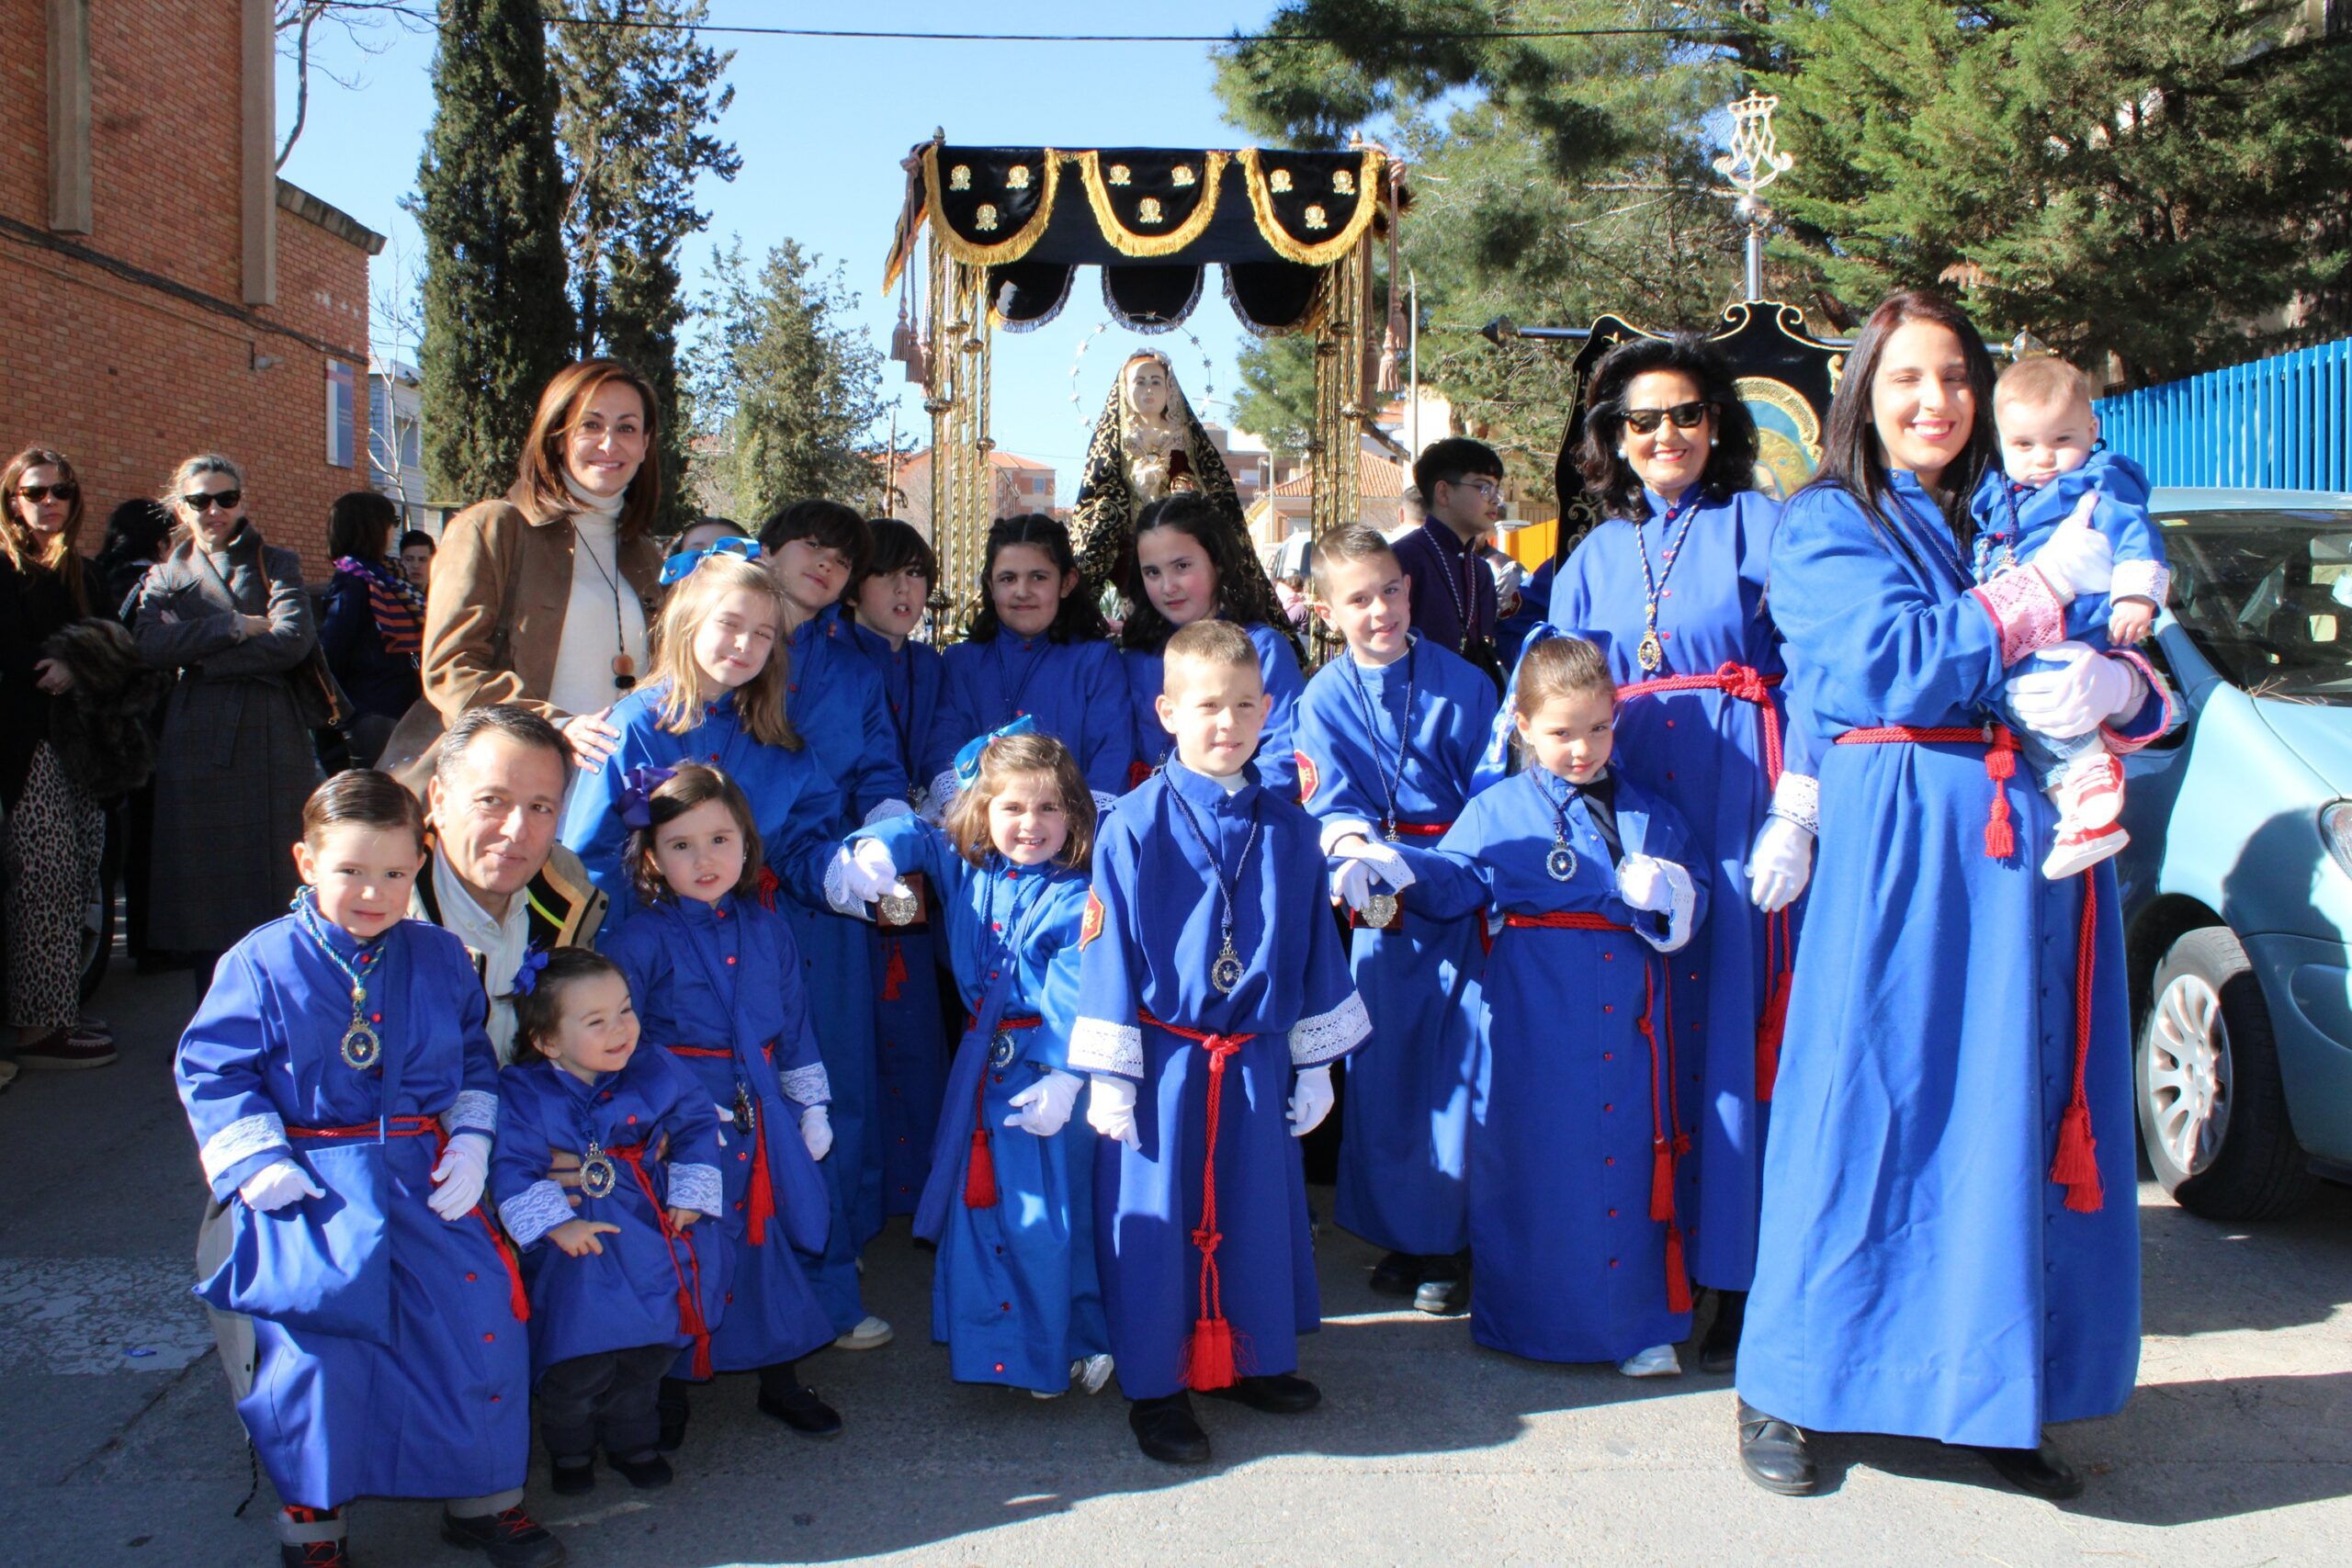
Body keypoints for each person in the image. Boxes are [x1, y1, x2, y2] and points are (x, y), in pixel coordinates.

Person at [1736, 290, 2169, 1501]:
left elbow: (2136, 642)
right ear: (1863, 396)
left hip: (2037, 852)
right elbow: (1892, 659)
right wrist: (2039, 598)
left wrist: (2120, 687)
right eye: (1907, 379)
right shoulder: (1824, 521)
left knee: (2011, 1122)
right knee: (1859, 1103)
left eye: (1957, 378)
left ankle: (1991, 1391)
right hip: (1904, 841)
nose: (1936, 402)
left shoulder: (2025, 502)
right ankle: (1791, 1384)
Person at [175, 770, 560, 1568]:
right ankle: (313, 1521)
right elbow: (212, 1068)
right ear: (306, 861)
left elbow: (469, 1059)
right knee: (314, 1347)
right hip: (309, 1179)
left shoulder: (440, 954)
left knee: (477, 1317)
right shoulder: (260, 961)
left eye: (393, 872)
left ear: (417, 863)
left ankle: (484, 1497)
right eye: (350, 869)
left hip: (424, 1168)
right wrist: (257, 1161)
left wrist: (473, 1139)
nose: (374, 892)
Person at [1532, 332, 1819, 1372]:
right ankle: (1646, 1255)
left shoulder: (1763, 523)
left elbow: (1814, 664)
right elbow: (1554, 683)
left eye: (1686, 415)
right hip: (1630, 797)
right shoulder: (1593, 554)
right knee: (1648, 1033)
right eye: (1641, 420)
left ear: (1717, 426)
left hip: (1738, 786)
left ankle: (1743, 1273)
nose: (1666, 435)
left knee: (1736, 1033)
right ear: (1612, 436)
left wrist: (1800, 804)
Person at [1356, 635, 1706, 1376]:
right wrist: (1395, 864)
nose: (1583, 748)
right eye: (1562, 732)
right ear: (1522, 726)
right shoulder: (1500, 808)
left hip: (1632, 1024)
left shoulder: (1653, 810)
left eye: (1599, 727)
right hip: (1534, 1022)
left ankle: (1639, 1323)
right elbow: (1454, 882)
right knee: (1542, 1167)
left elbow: (1692, 896)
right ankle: (1531, 1320)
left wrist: (1674, 895)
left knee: (1633, 1164)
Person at [557, 551, 882, 1348]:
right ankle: (670, 1330)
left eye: (764, 633)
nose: (743, 644)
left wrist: (845, 866)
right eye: (729, 624)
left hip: (750, 962)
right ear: (688, 623)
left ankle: (811, 1307)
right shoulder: (636, 724)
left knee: (780, 1144)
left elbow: (803, 838)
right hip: (658, 976)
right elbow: (590, 854)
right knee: (675, 1154)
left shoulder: (775, 739)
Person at [1069, 619, 1369, 1466]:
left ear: (1269, 708)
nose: (1227, 724)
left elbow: (1315, 946)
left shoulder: (1290, 826)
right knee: (1161, 1222)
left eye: (1244, 705)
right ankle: (1157, 1386)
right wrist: (1111, 1074)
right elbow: (1108, 945)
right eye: (1207, 706)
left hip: (1255, 1055)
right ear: (1167, 710)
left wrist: (1315, 1062)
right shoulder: (1132, 824)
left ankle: (1251, 1355)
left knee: (1255, 1211)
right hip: (1164, 1059)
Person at [836, 727, 1114, 1398]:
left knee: (1044, 1221)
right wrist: (873, 846)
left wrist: (1062, 1075)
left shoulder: (1079, 896)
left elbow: (1078, 990)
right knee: (987, 1215)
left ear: (1075, 815)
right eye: (1013, 807)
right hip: (981, 1075)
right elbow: (918, 835)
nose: (1030, 824)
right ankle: (1002, 1348)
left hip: (1041, 1081)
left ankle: (1065, 1346)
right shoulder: (971, 867)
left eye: (1049, 808)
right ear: (982, 811)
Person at [601, 765, 844, 1449]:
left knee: (767, 1245)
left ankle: (780, 1378)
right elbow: (623, 1039)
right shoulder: (636, 941)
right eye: (681, 845)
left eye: (719, 838)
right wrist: (662, 1114)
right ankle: (669, 1388)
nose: (704, 859)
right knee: (686, 1246)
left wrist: (811, 1104)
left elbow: (795, 1024)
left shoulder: (769, 929)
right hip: (681, 1121)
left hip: (761, 1110)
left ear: (746, 843)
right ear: (651, 856)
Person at [1293, 525, 1498, 1314]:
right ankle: (1402, 1233)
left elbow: (1490, 791)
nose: (1379, 609)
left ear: (1409, 589)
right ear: (1326, 610)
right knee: (1382, 1072)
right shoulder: (1322, 695)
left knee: (1454, 1072)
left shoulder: (1466, 683)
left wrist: (1449, 866)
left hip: (1453, 890)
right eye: (1358, 599)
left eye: (1390, 589)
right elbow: (1325, 791)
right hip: (1376, 900)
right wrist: (1349, 844)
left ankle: (1447, 1241)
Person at [491, 947, 725, 1496]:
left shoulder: (657, 1065)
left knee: (644, 1356)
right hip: (577, 1255)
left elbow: (694, 1123)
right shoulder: (524, 1093)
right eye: (596, 1022)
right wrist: (556, 1225)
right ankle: (570, 1454)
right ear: (548, 1042)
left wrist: (691, 1187)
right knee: (579, 1365)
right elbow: (513, 1166)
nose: (621, 1029)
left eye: (625, 1010)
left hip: (645, 1233)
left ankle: (632, 1444)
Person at [755, 501, 909, 1291]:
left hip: (832, 900)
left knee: (837, 1078)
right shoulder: (731, 647)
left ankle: (832, 1260)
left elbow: (880, 766)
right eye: (810, 547)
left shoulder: (855, 669)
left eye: (842, 559)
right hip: (735, 896)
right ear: (769, 549)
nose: (824, 564)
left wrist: (886, 829)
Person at [1972, 355, 2167, 878]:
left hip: (2074, 621)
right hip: (2024, 627)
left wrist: (2135, 595)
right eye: (2025, 445)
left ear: (2092, 429)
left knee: (2042, 687)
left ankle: (2089, 769)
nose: (2045, 459)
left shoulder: (2100, 483)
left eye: (2062, 440)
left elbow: (2134, 536)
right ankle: (2080, 816)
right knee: (2015, 703)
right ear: (2001, 442)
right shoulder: (2000, 498)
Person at [417, 358, 662, 777]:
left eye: (626, 428)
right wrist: (554, 726)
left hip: (618, 788)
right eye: (590, 425)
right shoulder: (492, 528)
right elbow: (450, 668)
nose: (609, 444)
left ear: (644, 444)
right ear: (557, 436)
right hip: (515, 782)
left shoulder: (647, 555)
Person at [129, 455, 320, 990]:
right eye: (199, 501)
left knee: (277, 880)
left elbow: (292, 640)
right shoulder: (165, 574)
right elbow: (148, 645)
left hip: (269, 730)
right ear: (180, 507)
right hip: (196, 736)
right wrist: (235, 625)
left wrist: (200, 655)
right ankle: (211, 1027)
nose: (214, 511)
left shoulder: (276, 561)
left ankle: (282, 1020)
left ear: (243, 501)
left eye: (226, 499)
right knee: (204, 893)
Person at [844, 520, 952, 1214]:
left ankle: (915, 1192)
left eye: (917, 574)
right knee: (853, 1036)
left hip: (918, 856)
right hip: (850, 860)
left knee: (916, 1025)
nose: (904, 589)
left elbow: (942, 743)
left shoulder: (931, 665)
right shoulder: (830, 660)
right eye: (889, 573)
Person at [1, 448, 114, 1075]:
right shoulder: (4, 568)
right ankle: (39, 1028)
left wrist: (83, 661)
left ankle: (59, 1006)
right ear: (13, 499)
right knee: (43, 876)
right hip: (25, 743)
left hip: (83, 743)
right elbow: (28, 664)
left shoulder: (84, 571)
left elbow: (112, 646)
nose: (48, 502)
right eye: (35, 491)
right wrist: (71, 661)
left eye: (60, 491)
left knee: (79, 871)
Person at [414, 705, 606, 1065]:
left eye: (540, 808)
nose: (516, 831)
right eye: (492, 801)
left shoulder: (571, 896)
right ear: (439, 801)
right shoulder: (377, 902)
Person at [923, 514, 1132, 810]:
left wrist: (1081, 828)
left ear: (1066, 582)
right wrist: (967, 816)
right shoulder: (961, 662)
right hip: (976, 828)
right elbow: (942, 743)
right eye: (1008, 578)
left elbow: (1112, 750)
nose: (1022, 591)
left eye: (1038, 577)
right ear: (990, 585)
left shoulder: (1095, 661)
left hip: (1070, 830)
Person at [1066, 349, 1285, 632]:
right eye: (1139, 382)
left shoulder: (1182, 436)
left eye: (1156, 381)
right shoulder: (1115, 441)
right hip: (1131, 544)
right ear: (1124, 388)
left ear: (1169, 387)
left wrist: (1183, 491)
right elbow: (1098, 494)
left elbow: (1203, 481)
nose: (1148, 390)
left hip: (1178, 532)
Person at [1120, 493, 1306, 796]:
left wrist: (1233, 808)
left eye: (1181, 566)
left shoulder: (1262, 649)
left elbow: (1285, 753)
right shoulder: (1137, 657)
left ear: (1217, 562)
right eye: (1153, 572)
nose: (1168, 586)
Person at [320, 490, 425, 765]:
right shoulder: (353, 581)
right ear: (371, 527)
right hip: (370, 713)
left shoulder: (387, 576)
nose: (394, 529)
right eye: (392, 521)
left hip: (398, 708)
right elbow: (333, 652)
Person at [1396, 437, 1506, 682]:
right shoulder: (1402, 559)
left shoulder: (1481, 570)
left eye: (1497, 488)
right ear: (1443, 492)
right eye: (1484, 487)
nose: (1495, 499)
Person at [399, 529, 436, 593]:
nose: (416, 565)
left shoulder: (440, 597)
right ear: (401, 560)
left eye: (422, 560)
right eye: (409, 559)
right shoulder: (391, 597)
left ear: (433, 562)